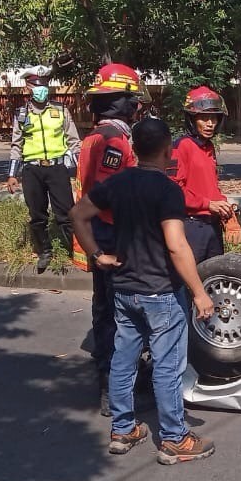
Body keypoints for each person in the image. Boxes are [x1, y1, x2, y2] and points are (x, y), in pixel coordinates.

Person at [70, 117, 217, 463]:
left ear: (133, 149)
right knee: (168, 365)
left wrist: (97, 256)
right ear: (168, 150)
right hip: (161, 292)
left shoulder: (118, 183)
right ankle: (175, 439)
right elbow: (177, 246)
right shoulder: (167, 190)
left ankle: (122, 430)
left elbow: (77, 214)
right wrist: (199, 292)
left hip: (124, 288)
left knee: (123, 360)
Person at [77, 63, 150, 417]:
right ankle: (111, 385)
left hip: (102, 233)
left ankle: (113, 379)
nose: (136, 106)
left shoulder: (100, 135)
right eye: (132, 100)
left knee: (107, 308)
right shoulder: (113, 141)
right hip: (112, 236)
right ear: (117, 101)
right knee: (118, 313)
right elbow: (111, 195)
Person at [6, 65, 81, 273]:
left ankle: (76, 252)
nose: (42, 88)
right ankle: (44, 251)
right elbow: (16, 145)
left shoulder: (60, 110)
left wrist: (80, 168)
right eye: (37, 85)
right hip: (32, 170)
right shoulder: (21, 114)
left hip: (57, 169)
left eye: (45, 84)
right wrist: (12, 174)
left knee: (66, 213)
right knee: (37, 215)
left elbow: (74, 142)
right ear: (28, 87)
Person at [170, 86, 241, 263]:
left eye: (214, 118)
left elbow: (211, 188)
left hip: (211, 226)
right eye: (204, 118)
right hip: (191, 227)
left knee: (213, 281)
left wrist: (227, 210)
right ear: (192, 119)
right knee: (191, 284)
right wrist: (208, 204)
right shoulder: (181, 147)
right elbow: (175, 192)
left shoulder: (208, 147)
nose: (210, 123)